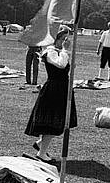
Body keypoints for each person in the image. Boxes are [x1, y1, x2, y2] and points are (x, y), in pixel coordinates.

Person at [25, 27, 77, 162]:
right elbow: (60, 64)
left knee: (57, 121)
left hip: (62, 88)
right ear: (57, 38)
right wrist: (66, 51)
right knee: (51, 122)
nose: (67, 41)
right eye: (65, 38)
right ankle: (41, 153)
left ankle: (41, 145)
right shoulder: (50, 52)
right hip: (54, 89)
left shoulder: (58, 51)